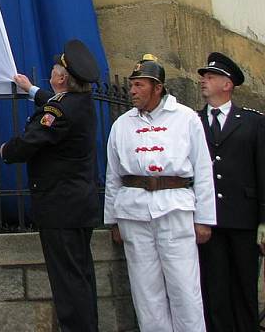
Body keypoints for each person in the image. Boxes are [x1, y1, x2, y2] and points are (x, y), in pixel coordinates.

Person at [104, 55, 215, 332]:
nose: (132, 91)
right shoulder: (122, 125)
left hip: (174, 209)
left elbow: (203, 169)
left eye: (139, 85)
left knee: (184, 288)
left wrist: (204, 218)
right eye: (131, 85)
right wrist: (113, 220)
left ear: (157, 87)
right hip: (134, 212)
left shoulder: (186, 119)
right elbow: (113, 175)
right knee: (145, 290)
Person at [1, 39, 101, 332]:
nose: (52, 73)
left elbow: (34, 138)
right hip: (78, 206)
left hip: (61, 208)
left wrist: (7, 150)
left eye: (55, 70)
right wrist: (30, 89)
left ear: (61, 78)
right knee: (81, 277)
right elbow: (53, 104)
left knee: (68, 284)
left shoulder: (61, 111)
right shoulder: (79, 103)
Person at [195, 52, 265, 332]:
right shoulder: (194, 120)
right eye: (204, 76)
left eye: (210, 77)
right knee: (214, 288)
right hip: (209, 220)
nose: (203, 81)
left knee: (244, 286)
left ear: (227, 84)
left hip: (244, 219)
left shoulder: (252, 122)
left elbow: (262, 172)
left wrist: (263, 222)